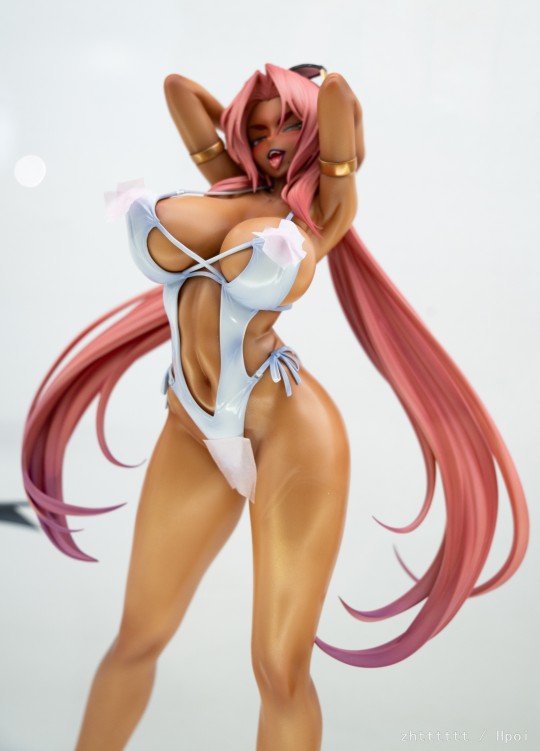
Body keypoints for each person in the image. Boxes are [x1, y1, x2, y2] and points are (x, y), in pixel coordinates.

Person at [21, 63, 529, 751]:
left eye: (288, 126)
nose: (271, 142)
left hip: (289, 433)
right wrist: (247, 118)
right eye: (258, 132)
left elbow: (340, 101)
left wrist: (314, 102)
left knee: (278, 669)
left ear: (317, 132)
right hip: (192, 425)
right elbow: (177, 90)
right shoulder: (228, 184)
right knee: (137, 636)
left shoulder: (324, 210)